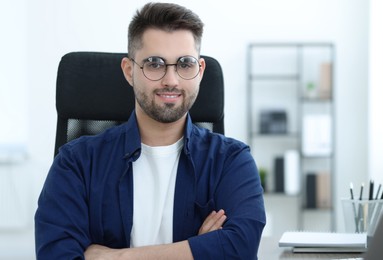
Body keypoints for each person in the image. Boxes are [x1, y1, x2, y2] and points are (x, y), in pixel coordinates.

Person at [34, 2, 266, 259]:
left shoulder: (231, 161)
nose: (171, 80)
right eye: (155, 64)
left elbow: (241, 247)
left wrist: (114, 256)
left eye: (185, 64)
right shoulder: (76, 163)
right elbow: (56, 254)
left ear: (199, 71)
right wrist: (198, 250)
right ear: (129, 71)